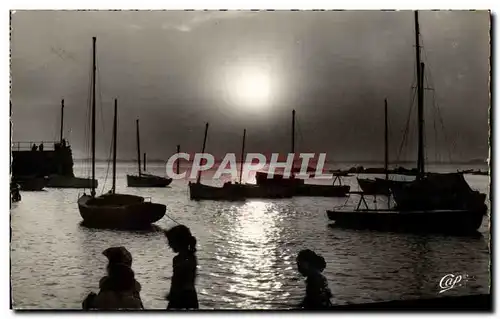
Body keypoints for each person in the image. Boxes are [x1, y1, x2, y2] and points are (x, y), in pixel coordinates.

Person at [164, 225, 199, 310]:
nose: (169, 245)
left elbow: (177, 280)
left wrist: (173, 295)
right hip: (190, 296)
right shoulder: (191, 257)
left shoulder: (179, 260)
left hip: (181, 297)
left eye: (170, 242)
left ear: (178, 242)